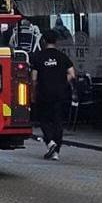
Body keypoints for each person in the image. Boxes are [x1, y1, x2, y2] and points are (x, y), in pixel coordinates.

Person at [30, 29, 76, 160]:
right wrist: (62, 82)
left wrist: (33, 93)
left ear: (43, 41)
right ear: (56, 41)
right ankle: (57, 152)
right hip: (60, 94)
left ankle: (50, 142)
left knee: (44, 120)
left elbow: (34, 78)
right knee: (58, 121)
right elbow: (72, 74)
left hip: (44, 93)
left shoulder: (38, 57)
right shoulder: (62, 57)